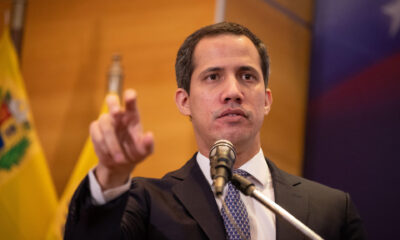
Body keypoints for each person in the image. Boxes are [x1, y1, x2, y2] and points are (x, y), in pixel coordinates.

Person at [65, 22, 366, 240]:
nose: (233, 91)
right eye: (213, 77)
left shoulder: (332, 210)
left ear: (266, 100)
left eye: (247, 76)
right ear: (185, 102)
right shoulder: (146, 204)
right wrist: (110, 176)